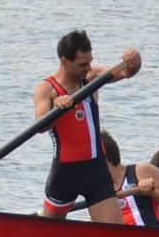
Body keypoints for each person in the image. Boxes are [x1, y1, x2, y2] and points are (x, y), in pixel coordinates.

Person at [34, 29, 142, 223]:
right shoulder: (47, 89)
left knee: (115, 234)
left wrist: (135, 62)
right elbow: (41, 125)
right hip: (63, 173)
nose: (88, 67)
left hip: (96, 170)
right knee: (47, 234)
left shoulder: (91, 77)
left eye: (90, 61)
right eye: (83, 64)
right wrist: (58, 108)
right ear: (65, 61)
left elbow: (126, 72)